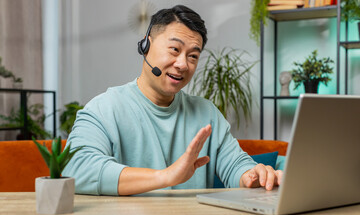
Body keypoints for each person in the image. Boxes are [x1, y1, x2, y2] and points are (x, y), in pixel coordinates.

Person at [63, 5, 282, 196]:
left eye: (193, 56)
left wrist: (251, 176)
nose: (183, 64)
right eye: (174, 50)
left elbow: (235, 165)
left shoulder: (206, 113)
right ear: (146, 46)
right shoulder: (104, 108)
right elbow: (76, 168)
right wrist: (166, 176)